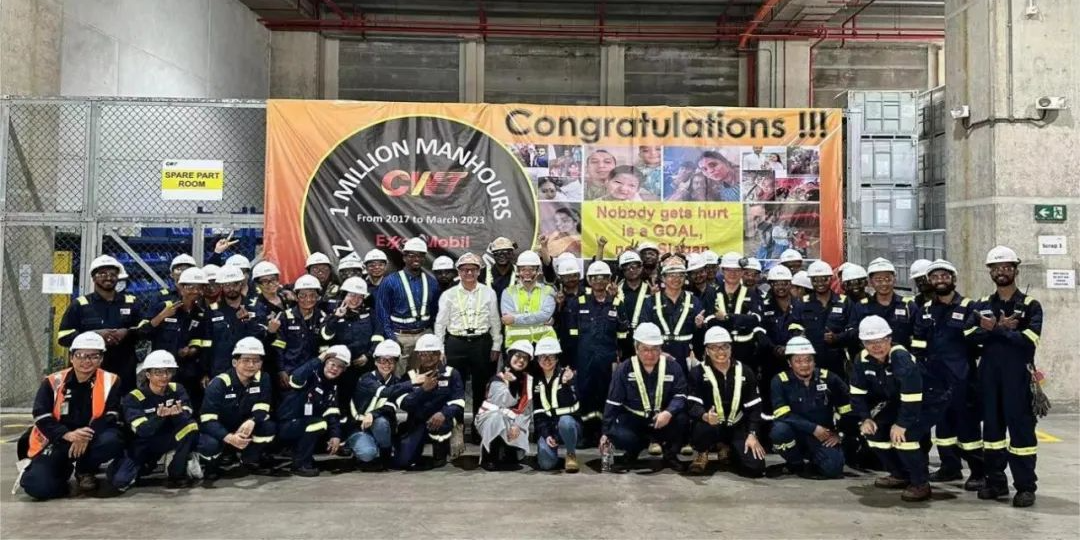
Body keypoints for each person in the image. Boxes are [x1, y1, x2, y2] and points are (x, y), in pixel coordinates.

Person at [967, 246, 1043, 507]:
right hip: (989, 377)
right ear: (990, 272)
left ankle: (1025, 487)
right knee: (992, 432)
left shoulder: (1030, 306)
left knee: (1021, 433)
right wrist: (1001, 329)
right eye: (996, 268)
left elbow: (1029, 340)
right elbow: (969, 336)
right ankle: (996, 482)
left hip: (1018, 378)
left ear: (1015, 271)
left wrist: (996, 330)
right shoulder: (982, 305)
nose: (1001, 272)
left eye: (1007, 267)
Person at [850, 316, 946, 502]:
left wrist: (902, 424)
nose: (876, 346)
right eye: (870, 342)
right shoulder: (861, 359)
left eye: (881, 340)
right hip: (899, 400)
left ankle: (920, 483)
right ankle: (899, 474)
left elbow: (912, 396)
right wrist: (865, 418)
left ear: (889, 339)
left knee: (905, 437)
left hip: (929, 400)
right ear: (863, 343)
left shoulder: (900, 357)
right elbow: (857, 392)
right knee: (874, 432)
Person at [18, 332, 124, 500]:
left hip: (91, 437)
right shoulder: (52, 381)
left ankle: (84, 470)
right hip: (58, 438)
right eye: (80, 355)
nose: (86, 361)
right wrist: (67, 434)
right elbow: (41, 415)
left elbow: (112, 414)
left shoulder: (111, 381)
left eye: (93, 356)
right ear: (71, 357)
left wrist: (85, 435)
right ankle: (61, 471)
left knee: (112, 440)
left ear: (101, 359)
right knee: (37, 487)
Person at [910, 259, 985, 490]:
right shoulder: (925, 310)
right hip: (935, 380)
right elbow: (918, 342)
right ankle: (949, 467)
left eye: (945, 276)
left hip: (962, 378)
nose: (940, 280)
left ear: (953, 279)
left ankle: (979, 472)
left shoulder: (969, 306)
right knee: (943, 428)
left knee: (967, 427)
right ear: (929, 281)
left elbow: (978, 342)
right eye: (935, 277)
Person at [434, 252, 502, 445]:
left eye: (473, 269)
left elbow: (495, 320)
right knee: (456, 387)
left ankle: (479, 428)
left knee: (482, 387)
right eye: (465, 270)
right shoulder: (448, 295)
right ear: (459, 272)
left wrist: (496, 344)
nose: (469, 273)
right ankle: (458, 428)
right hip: (456, 343)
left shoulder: (489, 293)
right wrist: (440, 349)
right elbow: (440, 324)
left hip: (481, 343)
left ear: (479, 271)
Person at [601, 323, 690, 472]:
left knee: (682, 419)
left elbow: (681, 395)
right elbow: (613, 402)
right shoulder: (624, 369)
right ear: (636, 349)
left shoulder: (673, 367)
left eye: (655, 349)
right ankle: (633, 451)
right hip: (634, 420)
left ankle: (670, 455)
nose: (650, 354)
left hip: (662, 419)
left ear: (661, 349)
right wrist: (605, 433)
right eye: (645, 349)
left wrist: (669, 412)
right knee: (616, 432)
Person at [110, 350, 200, 491]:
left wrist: (176, 414)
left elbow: (187, 414)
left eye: (168, 372)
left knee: (191, 427)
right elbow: (143, 431)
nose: (164, 376)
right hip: (142, 445)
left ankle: (176, 472)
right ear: (148, 375)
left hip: (168, 438)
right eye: (158, 372)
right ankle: (144, 465)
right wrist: (159, 417)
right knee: (119, 481)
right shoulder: (134, 397)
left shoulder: (177, 389)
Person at [686, 326, 766, 477]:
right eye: (714, 347)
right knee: (702, 429)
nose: (720, 351)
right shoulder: (697, 372)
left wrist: (752, 434)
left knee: (755, 468)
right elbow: (692, 404)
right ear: (707, 350)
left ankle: (729, 449)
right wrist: (705, 416)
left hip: (736, 425)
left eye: (724, 346)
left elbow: (755, 408)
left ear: (731, 348)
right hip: (710, 425)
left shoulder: (746, 371)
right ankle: (703, 452)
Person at [57, 255, 144, 392]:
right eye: (102, 274)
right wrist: (95, 335)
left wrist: (127, 332)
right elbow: (63, 337)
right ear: (93, 278)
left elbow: (145, 330)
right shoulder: (80, 304)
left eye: (113, 274)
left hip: (124, 368)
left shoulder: (131, 302)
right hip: (89, 369)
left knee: (122, 403)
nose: (108, 277)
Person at [769, 336, 850, 479]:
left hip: (823, 435)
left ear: (814, 361)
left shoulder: (830, 379)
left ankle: (814, 461)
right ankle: (795, 463)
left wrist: (840, 434)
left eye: (808, 360)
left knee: (834, 469)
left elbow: (848, 409)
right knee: (779, 431)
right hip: (795, 432)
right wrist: (813, 428)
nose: (804, 365)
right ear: (789, 363)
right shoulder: (779, 381)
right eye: (798, 361)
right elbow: (783, 415)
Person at [197, 337, 276, 479]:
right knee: (210, 445)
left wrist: (252, 420)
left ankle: (249, 460)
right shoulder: (219, 383)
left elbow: (263, 405)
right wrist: (228, 437)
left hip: (244, 428)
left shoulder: (263, 378)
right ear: (235, 362)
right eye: (246, 360)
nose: (251, 365)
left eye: (256, 361)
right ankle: (211, 466)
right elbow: (207, 420)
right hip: (220, 430)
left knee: (268, 427)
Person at [568, 261, 628, 441]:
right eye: (595, 278)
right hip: (584, 359)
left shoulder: (617, 304)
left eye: (603, 278)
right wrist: (572, 363)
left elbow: (623, 335)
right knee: (585, 394)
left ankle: (604, 434)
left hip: (607, 360)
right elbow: (571, 337)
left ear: (609, 280)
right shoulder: (578, 303)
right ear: (588, 280)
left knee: (606, 394)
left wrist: (621, 358)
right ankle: (587, 434)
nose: (599, 281)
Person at [140, 267, 209, 410]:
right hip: (161, 371)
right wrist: (161, 316)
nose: (195, 291)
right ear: (181, 288)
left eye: (199, 288)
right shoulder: (164, 307)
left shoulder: (200, 314)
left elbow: (198, 339)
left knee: (186, 408)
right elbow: (142, 332)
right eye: (190, 287)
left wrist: (191, 350)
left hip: (187, 372)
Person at [393, 334, 466, 470]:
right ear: (418, 355)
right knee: (403, 462)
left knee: (442, 423)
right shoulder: (411, 376)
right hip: (418, 422)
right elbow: (404, 404)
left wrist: (444, 413)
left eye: (433, 354)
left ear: (440, 354)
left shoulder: (451, 374)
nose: (428, 358)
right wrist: (422, 390)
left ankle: (443, 450)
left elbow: (459, 401)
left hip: (443, 421)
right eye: (424, 354)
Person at [277, 345, 350, 477]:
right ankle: (300, 465)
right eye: (332, 364)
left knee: (327, 426)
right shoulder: (311, 374)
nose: (335, 368)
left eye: (340, 367)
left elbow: (332, 412)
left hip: (303, 425)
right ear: (324, 362)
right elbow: (295, 379)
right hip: (286, 425)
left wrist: (335, 435)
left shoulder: (332, 386)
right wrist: (319, 359)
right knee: (318, 424)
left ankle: (304, 457)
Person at [375, 238, 438, 373]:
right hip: (400, 337)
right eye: (412, 255)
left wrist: (431, 336)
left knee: (424, 375)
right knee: (398, 376)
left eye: (420, 255)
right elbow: (382, 313)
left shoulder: (431, 282)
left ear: (424, 258)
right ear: (404, 257)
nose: (416, 259)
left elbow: (434, 312)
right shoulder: (390, 281)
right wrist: (392, 338)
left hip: (424, 335)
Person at [347, 340, 411, 470]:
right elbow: (383, 392)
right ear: (375, 362)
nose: (386, 364)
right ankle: (360, 449)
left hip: (382, 427)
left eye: (391, 360)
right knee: (367, 453)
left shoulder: (396, 382)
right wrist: (412, 382)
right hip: (359, 427)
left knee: (380, 422)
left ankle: (385, 454)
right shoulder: (366, 379)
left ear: (396, 362)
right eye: (382, 360)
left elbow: (392, 405)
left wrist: (373, 414)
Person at [320, 276, 376, 418]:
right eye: (351, 295)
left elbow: (378, 337)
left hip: (364, 366)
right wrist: (336, 317)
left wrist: (368, 356)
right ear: (344, 295)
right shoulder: (333, 312)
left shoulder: (370, 313)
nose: (355, 300)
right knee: (340, 402)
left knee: (361, 401)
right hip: (340, 368)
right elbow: (325, 336)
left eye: (359, 296)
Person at [475, 341, 535, 471]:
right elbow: (502, 403)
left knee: (514, 455)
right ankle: (489, 455)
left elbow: (527, 409)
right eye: (518, 355)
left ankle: (508, 452)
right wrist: (512, 384)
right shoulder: (498, 379)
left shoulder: (528, 380)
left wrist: (517, 425)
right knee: (497, 419)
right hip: (490, 418)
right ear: (510, 356)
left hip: (514, 420)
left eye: (525, 358)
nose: (521, 360)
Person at [640, 259, 705, 374]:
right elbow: (643, 331)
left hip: (686, 355)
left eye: (680, 275)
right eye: (671, 275)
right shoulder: (650, 302)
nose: (676, 279)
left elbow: (700, 335)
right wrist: (658, 353)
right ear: (663, 278)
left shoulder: (694, 301)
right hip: (659, 353)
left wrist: (699, 326)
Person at [202, 266, 265, 377]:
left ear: (241, 284)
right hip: (220, 369)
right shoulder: (212, 310)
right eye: (227, 285)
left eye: (235, 284)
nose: (231, 288)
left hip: (249, 368)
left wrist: (248, 322)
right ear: (221, 286)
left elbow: (263, 337)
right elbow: (206, 344)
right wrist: (205, 372)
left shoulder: (255, 307)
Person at [532, 336, 582, 472]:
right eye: (543, 357)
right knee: (546, 465)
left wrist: (567, 385)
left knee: (565, 422)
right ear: (538, 359)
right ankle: (555, 457)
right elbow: (538, 412)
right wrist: (547, 434)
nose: (547, 361)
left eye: (551, 357)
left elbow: (573, 404)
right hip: (549, 426)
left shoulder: (567, 375)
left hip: (569, 426)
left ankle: (571, 454)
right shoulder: (536, 380)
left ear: (557, 358)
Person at [270, 274, 326, 388]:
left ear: (318, 297)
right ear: (296, 297)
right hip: (289, 372)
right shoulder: (285, 317)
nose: (308, 299)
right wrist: (281, 370)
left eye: (312, 295)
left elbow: (324, 346)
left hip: (313, 371)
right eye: (303, 295)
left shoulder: (322, 317)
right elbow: (278, 347)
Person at [854, 258, 918, 349]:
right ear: (870, 282)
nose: (884, 283)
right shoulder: (861, 307)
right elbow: (855, 336)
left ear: (894, 280)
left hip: (901, 356)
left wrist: (911, 355)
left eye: (888, 279)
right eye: (878, 280)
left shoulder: (908, 306)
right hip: (872, 355)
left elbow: (918, 336)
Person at [501, 251, 557, 346]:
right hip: (516, 344)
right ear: (518, 271)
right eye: (523, 269)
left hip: (544, 344)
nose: (527, 273)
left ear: (538, 271)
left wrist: (515, 319)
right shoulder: (508, 292)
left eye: (531, 269)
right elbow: (507, 320)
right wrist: (538, 319)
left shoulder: (548, 291)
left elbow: (545, 315)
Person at [616, 250, 651, 360]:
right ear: (622, 270)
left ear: (641, 267)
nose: (631, 270)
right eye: (627, 267)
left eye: (634, 266)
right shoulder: (615, 290)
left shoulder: (651, 289)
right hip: (622, 344)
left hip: (646, 340)